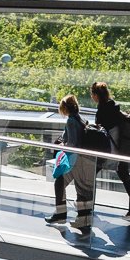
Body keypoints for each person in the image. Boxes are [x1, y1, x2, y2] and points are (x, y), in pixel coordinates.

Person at [91, 82, 130, 220]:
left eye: (92, 94)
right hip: (126, 147)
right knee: (123, 173)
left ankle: (87, 207)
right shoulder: (113, 106)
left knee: (90, 173)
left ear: (96, 95)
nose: (92, 97)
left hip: (112, 149)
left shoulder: (102, 110)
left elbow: (100, 131)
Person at [48, 94, 95, 235]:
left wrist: (62, 144)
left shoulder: (71, 121)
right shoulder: (81, 118)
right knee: (83, 191)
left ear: (64, 108)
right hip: (85, 160)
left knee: (59, 183)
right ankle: (83, 221)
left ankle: (61, 214)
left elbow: (73, 143)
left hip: (75, 161)